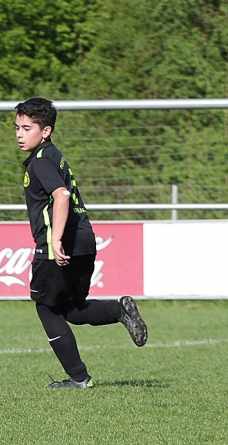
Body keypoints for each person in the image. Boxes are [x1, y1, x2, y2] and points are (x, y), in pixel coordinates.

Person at [15, 97, 147, 389]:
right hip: (85, 240)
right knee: (72, 309)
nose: (20, 134)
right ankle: (118, 310)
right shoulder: (55, 155)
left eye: (27, 128)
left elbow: (61, 195)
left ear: (45, 131)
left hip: (59, 244)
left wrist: (55, 239)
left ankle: (78, 378)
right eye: (17, 128)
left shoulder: (40, 162)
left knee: (47, 308)